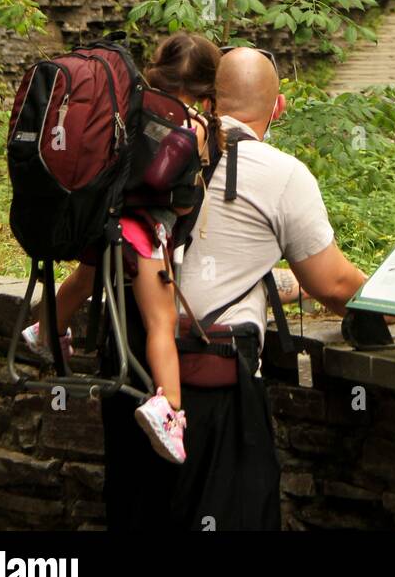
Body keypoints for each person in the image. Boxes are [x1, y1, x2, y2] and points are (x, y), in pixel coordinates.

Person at [100, 45, 369, 532]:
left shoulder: (152, 151)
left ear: (211, 99)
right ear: (278, 107)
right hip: (214, 393)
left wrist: (285, 289)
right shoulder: (282, 175)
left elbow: (214, 264)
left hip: (131, 376)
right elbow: (334, 284)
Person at [23, 32, 216, 465]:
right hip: (144, 234)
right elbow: (181, 198)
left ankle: (45, 330)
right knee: (161, 323)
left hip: (102, 221)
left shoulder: (130, 101)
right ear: (206, 89)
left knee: (84, 279)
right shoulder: (193, 124)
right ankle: (168, 409)